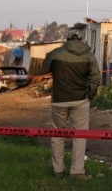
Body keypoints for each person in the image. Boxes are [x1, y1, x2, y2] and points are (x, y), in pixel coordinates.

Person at [43, 23, 100, 179]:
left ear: (67, 39)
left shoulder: (56, 53)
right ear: (81, 39)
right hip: (80, 100)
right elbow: (95, 78)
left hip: (59, 99)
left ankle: (58, 170)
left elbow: (44, 67)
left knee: (57, 135)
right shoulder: (89, 55)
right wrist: (90, 95)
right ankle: (77, 171)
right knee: (79, 136)